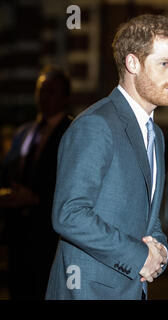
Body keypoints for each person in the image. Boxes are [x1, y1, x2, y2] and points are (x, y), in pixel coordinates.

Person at [45, 14, 168, 300]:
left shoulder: (154, 134)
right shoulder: (96, 124)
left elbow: (148, 218)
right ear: (133, 63)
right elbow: (69, 215)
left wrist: (160, 251)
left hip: (131, 290)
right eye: (165, 64)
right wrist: (138, 256)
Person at [0, 66, 73, 299]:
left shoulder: (72, 131)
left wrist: (36, 199)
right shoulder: (24, 133)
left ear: (64, 97)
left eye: (51, 91)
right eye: (41, 90)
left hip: (49, 241)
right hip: (18, 240)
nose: (43, 96)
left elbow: (72, 184)